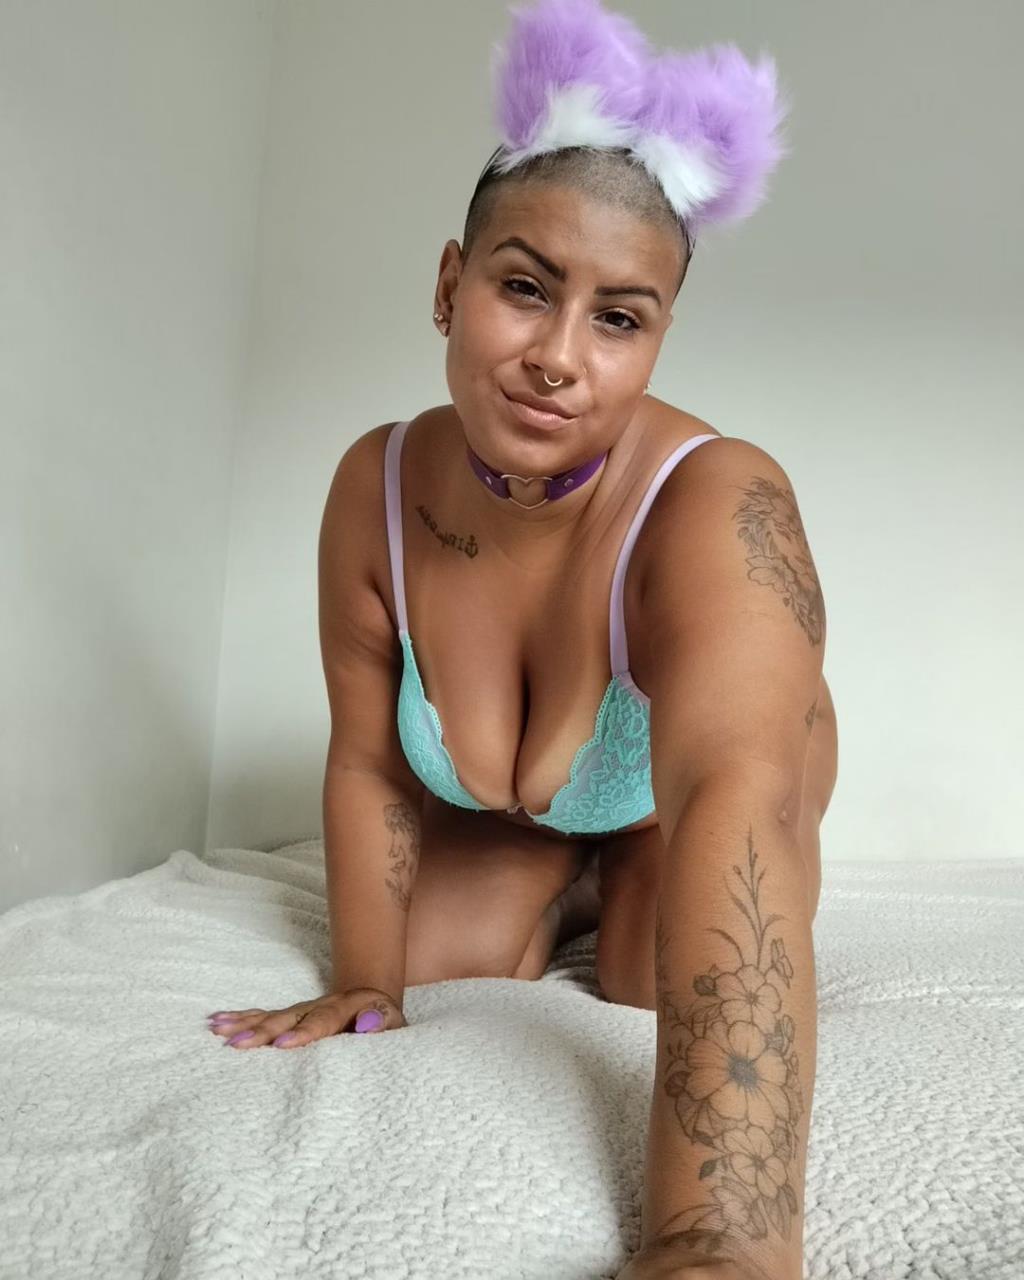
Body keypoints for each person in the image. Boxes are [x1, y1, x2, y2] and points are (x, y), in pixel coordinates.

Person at [208, 2, 838, 1274]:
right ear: (451, 285)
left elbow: (744, 797)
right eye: (524, 288)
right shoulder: (376, 486)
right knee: (440, 958)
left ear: (658, 337)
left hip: (695, 802)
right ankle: (567, 865)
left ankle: (621, 865)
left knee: (651, 981)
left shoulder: (722, 499)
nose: (557, 357)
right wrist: (366, 980)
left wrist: (714, 1240)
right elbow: (369, 758)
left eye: (618, 318)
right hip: (513, 810)